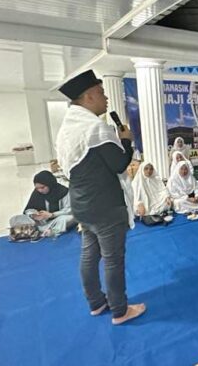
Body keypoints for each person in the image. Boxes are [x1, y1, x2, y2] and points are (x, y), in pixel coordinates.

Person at [55, 70, 145, 325]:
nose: (106, 99)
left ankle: (96, 303)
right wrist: (126, 141)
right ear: (89, 97)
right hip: (105, 206)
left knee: (89, 255)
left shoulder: (67, 129)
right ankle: (120, 310)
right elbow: (119, 164)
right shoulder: (94, 129)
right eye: (102, 93)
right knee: (113, 260)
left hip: (82, 204)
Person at [21, 170, 75, 237]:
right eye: (37, 188)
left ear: (50, 184)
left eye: (42, 187)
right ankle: (40, 231)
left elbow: (69, 210)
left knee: (71, 218)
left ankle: (53, 231)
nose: (40, 190)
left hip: (58, 221)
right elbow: (28, 209)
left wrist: (52, 215)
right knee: (22, 220)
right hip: (42, 223)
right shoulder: (37, 193)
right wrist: (33, 214)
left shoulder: (64, 192)